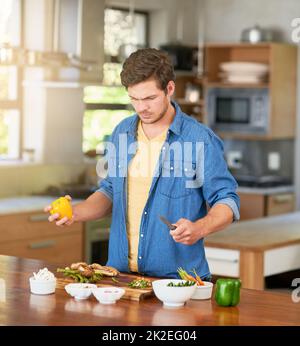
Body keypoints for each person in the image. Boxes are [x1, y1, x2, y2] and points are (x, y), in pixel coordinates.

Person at [45, 48, 240, 280]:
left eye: (149, 98)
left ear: (169, 89)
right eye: (134, 99)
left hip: (178, 282)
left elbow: (227, 200)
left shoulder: (199, 139)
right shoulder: (122, 132)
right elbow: (110, 191)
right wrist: (75, 213)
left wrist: (200, 228)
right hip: (121, 278)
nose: (141, 108)